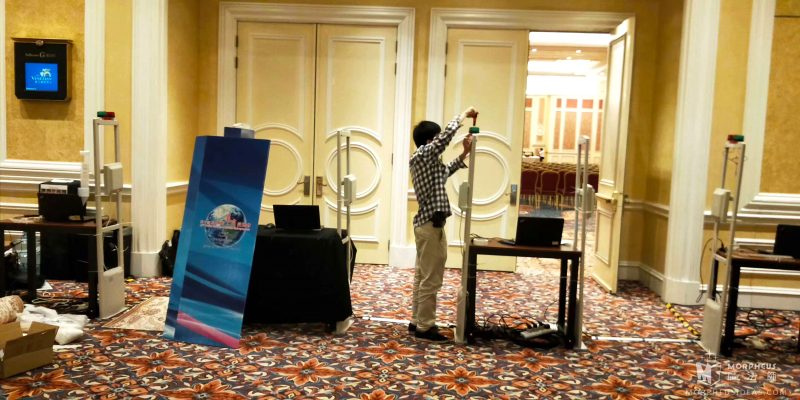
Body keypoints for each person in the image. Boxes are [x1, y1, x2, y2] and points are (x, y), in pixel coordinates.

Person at [408, 106, 477, 341]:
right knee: (431, 278)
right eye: (436, 137)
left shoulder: (428, 163)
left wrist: (464, 153)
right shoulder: (423, 155)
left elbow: (446, 171)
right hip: (429, 226)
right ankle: (425, 327)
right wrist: (463, 114)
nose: (440, 141)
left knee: (422, 276)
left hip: (429, 225)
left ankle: (417, 321)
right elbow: (444, 139)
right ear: (430, 140)